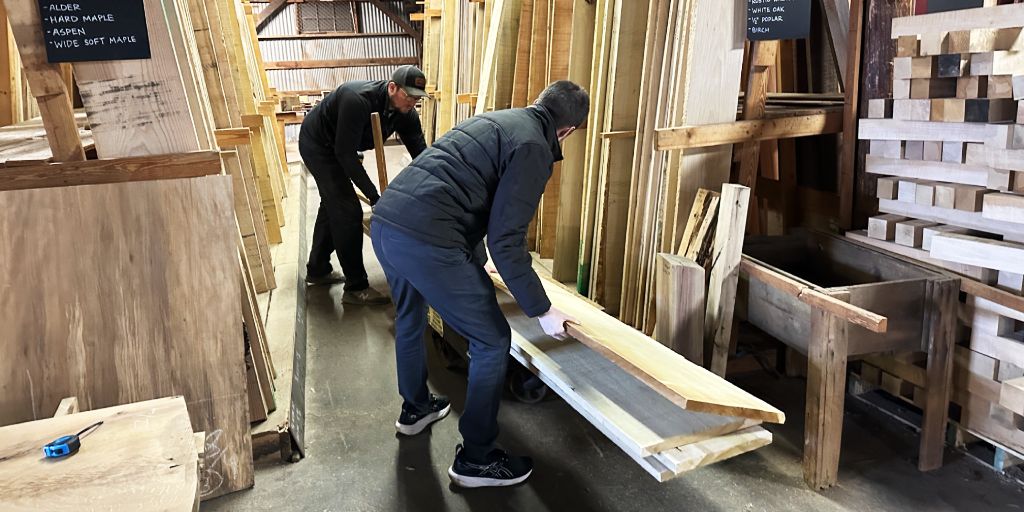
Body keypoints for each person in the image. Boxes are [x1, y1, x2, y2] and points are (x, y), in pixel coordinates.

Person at [370, 80, 590, 488]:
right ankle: (478, 459)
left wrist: (472, 261)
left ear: (538, 101)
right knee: (490, 341)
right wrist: (541, 309)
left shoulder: (499, 120)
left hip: (388, 222)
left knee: (410, 316)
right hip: (427, 240)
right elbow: (505, 241)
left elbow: (462, 188)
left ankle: (415, 409)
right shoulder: (534, 149)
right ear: (569, 131)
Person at [300, 65, 429, 305]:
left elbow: (421, 154)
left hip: (344, 145)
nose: (413, 101)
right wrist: (374, 196)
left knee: (333, 204)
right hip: (319, 145)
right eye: (409, 95)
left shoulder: (406, 113)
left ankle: (317, 269)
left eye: (417, 97)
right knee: (348, 210)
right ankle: (355, 288)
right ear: (392, 87)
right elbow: (345, 155)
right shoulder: (357, 100)